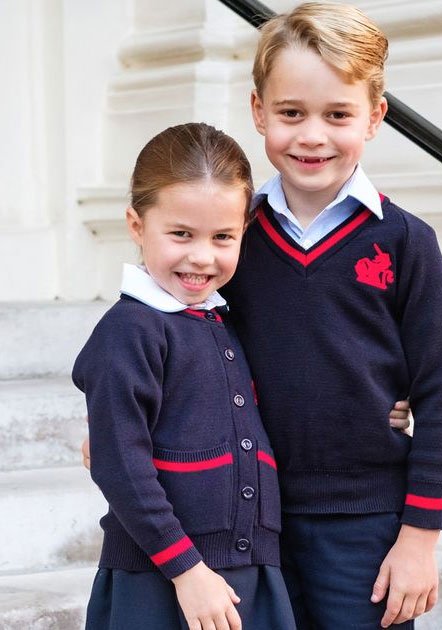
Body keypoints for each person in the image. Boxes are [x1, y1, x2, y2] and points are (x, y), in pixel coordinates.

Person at [227, 3, 442, 628]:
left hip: (365, 519)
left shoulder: (406, 241)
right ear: (259, 112)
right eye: (290, 113)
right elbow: (175, 339)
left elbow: (441, 387)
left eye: (338, 114)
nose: (312, 135)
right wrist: (124, 415)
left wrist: (420, 534)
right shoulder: (230, 239)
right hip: (248, 512)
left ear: (375, 117)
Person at [74, 122, 295, 630]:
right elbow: (120, 465)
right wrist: (186, 570)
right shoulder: (130, 332)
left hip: (245, 574)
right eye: (181, 234)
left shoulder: (225, 321)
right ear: (136, 225)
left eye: (223, 237)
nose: (201, 256)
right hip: (159, 580)